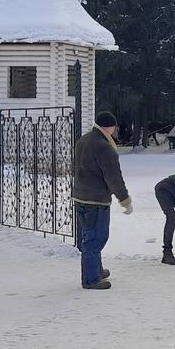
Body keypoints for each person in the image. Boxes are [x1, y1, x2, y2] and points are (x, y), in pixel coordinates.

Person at [71, 111, 131, 290]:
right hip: (96, 200)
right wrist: (124, 198)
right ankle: (91, 279)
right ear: (110, 127)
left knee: (88, 236)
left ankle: (95, 269)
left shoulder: (85, 140)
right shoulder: (103, 146)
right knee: (95, 239)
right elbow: (113, 176)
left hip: (80, 196)